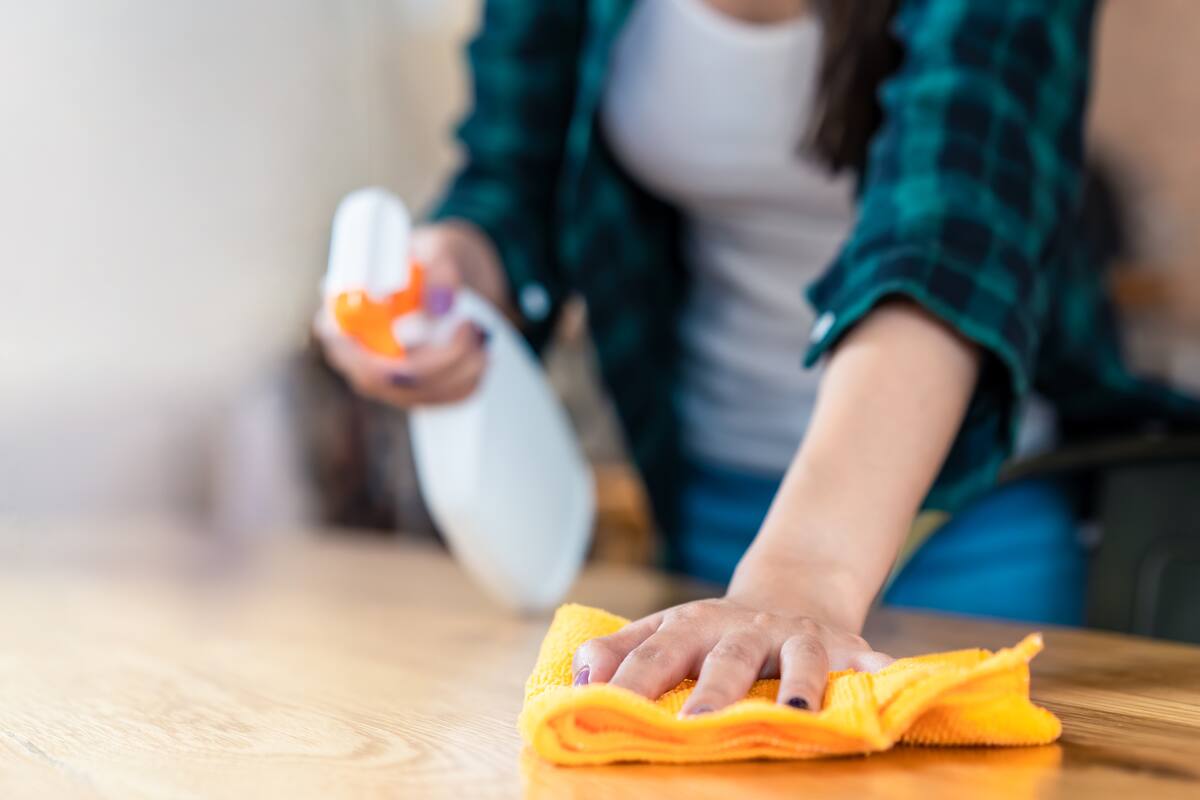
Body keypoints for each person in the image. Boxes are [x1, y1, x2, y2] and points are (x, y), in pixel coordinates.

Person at [316, 0, 1198, 715]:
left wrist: (802, 578)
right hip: (709, 517)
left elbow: (947, 240)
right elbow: (510, 182)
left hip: (975, 521)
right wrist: (454, 274)